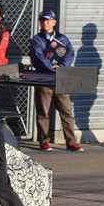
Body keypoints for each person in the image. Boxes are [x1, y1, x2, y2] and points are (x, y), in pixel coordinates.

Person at [29, 10, 83, 152]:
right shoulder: (37, 39)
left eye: (47, 20)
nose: (44, 23)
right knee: (43, 112)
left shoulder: (63, 39)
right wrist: (51, 67)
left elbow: (70, 53)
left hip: (61, 79)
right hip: (44, 79)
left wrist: (62, 67)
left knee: (66, 111)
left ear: (54, 22)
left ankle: (71, 142)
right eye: (42, 20)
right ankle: (44, 141)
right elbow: (37, 56)